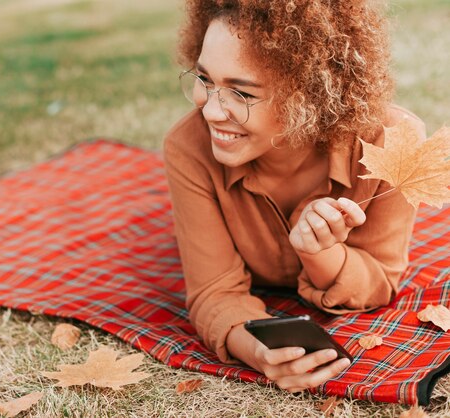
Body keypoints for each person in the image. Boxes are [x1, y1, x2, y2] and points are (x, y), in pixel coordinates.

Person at [163, 0, 426, 393]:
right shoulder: (188, 149)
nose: (212, 111)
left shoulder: (394, 145)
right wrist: (260, 353)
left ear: (311, 94)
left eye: (241, 93)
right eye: (205, 80)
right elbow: (214, 293)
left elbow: (379, 282)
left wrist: (320, 251)